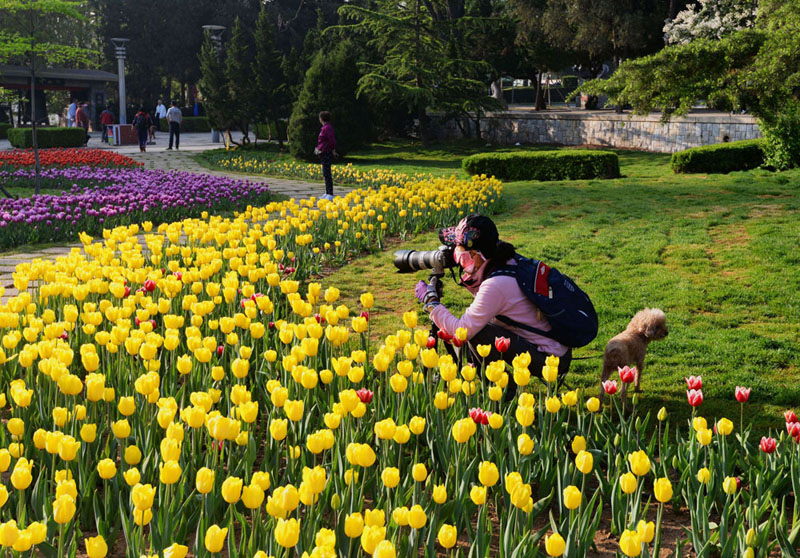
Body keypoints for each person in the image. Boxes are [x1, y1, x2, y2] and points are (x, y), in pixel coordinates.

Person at [415, 214, 572, 400]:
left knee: (475, 333)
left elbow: (461, 330)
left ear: (476, 254)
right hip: (557, 346)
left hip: (550, 360)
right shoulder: (506, 260)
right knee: (477, 325)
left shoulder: (496, 285)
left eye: (461, 255)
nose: (458, 260)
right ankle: (480, 379)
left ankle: (503, 391)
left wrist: (431, 303)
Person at [314, 111, 338, 200]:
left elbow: (332, 140)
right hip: (323, 152)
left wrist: (333, 150)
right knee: (325, 172)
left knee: (327, 173)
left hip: (326, 152)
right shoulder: (325, 127)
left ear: (321, 118)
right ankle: (327, 192)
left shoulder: (327, 128)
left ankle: (330, 193)